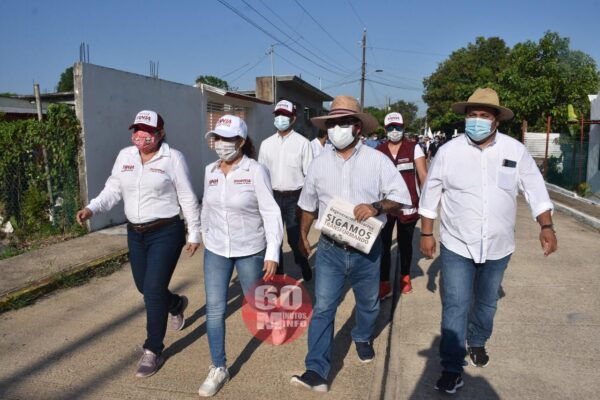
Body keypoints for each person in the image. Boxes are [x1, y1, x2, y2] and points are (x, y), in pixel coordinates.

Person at [418, 88, 558, 394]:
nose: (477, 120)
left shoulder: (514, 151)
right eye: (472, 115)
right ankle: (452, 367)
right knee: (455, 304)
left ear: (496, 121)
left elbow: (535, 189)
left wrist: (546, 226)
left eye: (484, 115)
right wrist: (427, 233)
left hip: (498, 245)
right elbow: (431, 194)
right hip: (457, 243)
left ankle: (478, 341)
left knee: (486, 302)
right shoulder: (449, 152)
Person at [290, 96, 411, 392]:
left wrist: (377, 207)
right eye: (332, 123)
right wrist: (304, 235)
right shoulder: (318, 165)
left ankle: (362, 335)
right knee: (323, 309)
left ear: (357, 127)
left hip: (367, 251)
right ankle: (316, 369)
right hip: (330, 249)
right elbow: (307, 205)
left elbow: (401, 196)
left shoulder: (377, 160)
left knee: (368, 305)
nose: (337, 128)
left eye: (343, 122)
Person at [76, 110, 201, 378]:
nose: (141, 136)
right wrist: (92, 208)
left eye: (147, 132)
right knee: (144, 287)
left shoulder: (173, 158)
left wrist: (194, 232)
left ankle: (152, 349)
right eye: (137, 130)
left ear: (160, 134)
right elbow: (113, 189)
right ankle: (176, 305)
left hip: (166, 231)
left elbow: (187, 197)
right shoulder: (125, 156)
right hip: (135, 233)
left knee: (153, 289)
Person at [198, 115, 283, 397]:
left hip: (250, 249)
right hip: (216, 250)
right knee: (215, 309)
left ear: (241, 142)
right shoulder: (209, 171)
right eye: (217, 138)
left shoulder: (256, 171)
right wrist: (198, 234)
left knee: (254, 299)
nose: (221, 143)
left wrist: (272, 252)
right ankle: (218, 366)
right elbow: (206, 209)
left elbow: (271, 212)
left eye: (227, 138)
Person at [258, 100, 313, 281]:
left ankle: (304, 264)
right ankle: (278, 277)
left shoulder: (303, 144)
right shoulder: (266, 144)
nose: (281, 118)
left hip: (294, 198)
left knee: (295, 239)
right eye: (278, 115)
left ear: (293, 118)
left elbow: (310, 176)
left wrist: (304, 204)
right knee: (274, 240)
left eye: (285, 115)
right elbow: (261, 174)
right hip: (272, 197)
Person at [376, 112, 428, 299]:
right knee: (383, 246)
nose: (394, 131)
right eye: (391, 128)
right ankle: (384, 282)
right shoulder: (379, 150)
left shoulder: (414, 148)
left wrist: (426, 202)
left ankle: (405, 277)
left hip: (408, 205)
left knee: (405, 245)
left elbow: (423, 176)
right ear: (385, 129)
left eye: (398, 127)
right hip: (386, 206)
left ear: (403, 128)